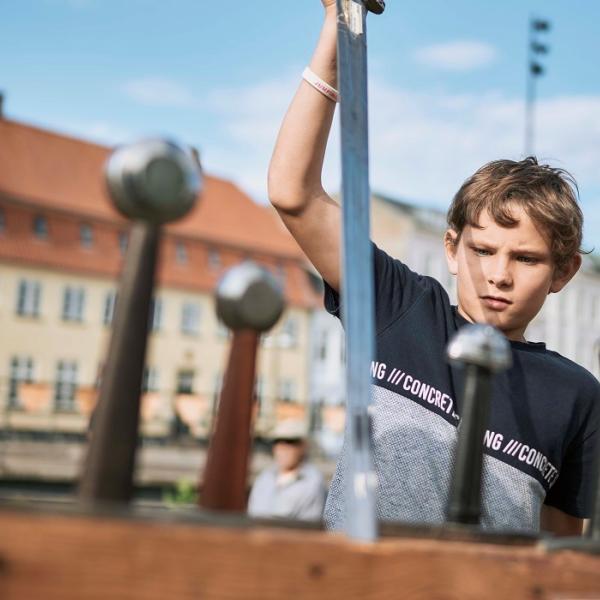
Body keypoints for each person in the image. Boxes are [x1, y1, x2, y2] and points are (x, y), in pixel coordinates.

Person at [267, 0, 600, 536]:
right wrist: (336, 28)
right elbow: (293, 195)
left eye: (526, 259)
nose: (499, 274)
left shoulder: (576, 395)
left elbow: (554, 558)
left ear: (561, 273)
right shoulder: (398, 308)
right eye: (483, 250)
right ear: (452, 247)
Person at [247, 419, 326, 521]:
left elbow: (308, 527)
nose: (283, 448)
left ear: (303, 446)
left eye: (290, 442)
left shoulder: (313, 481)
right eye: (278, 442)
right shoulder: (264, 478)